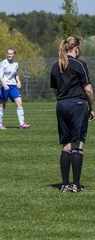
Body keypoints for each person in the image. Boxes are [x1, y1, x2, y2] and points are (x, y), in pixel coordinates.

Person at [50, 36, 95, 193]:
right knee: (77, 144)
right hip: (78, 105)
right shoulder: (79, 64)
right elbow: (88, 90)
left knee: (66, 145)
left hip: (61, 105)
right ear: (77, 48)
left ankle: (64, 185)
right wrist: (92, 107)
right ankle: (75, 185)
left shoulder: (56, 66)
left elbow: (55, 89)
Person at [0, 48, 30, 129]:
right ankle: (0, 124)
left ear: (14, 54)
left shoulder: (16, 64)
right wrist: (4, 84)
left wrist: (18, 81)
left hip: (13, 86)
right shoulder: (3, 63)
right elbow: (0, 75)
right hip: (4, 86)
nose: (9, 55)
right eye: (8, 53)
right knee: (2, 105)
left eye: (11, 54)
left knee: (19, 103)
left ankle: (22, 124)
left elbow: (16, 74)